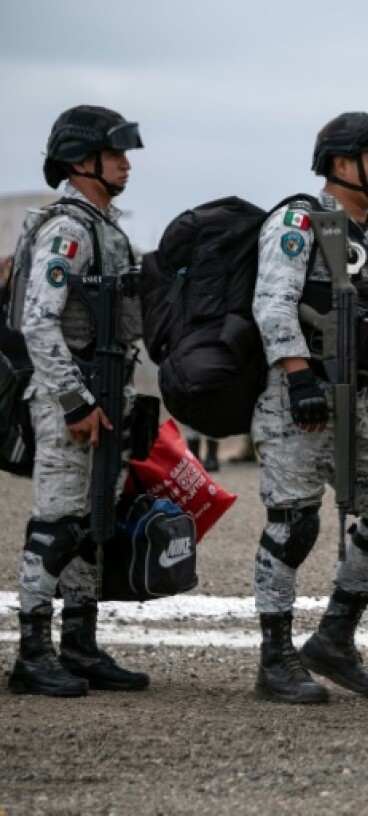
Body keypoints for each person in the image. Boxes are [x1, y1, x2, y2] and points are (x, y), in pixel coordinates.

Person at [249, 112, 368, 704]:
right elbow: (272, 304)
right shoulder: (300, 221)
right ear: (342, 164)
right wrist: (299, 379)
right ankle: (275, 659)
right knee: (293, 524)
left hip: (362, 400)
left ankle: (334, 639)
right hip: (300, 401)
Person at [8, 106, 148, 696]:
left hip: (105, 388)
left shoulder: (104, 225)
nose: (124, 163)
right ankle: (32, 652)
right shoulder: (70, 229)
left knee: (95, 520)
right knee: (58, 522)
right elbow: (38, 322)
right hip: (71, 395)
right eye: (113, 153)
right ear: (79, 161)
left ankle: (80, 644)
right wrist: (73, 401)